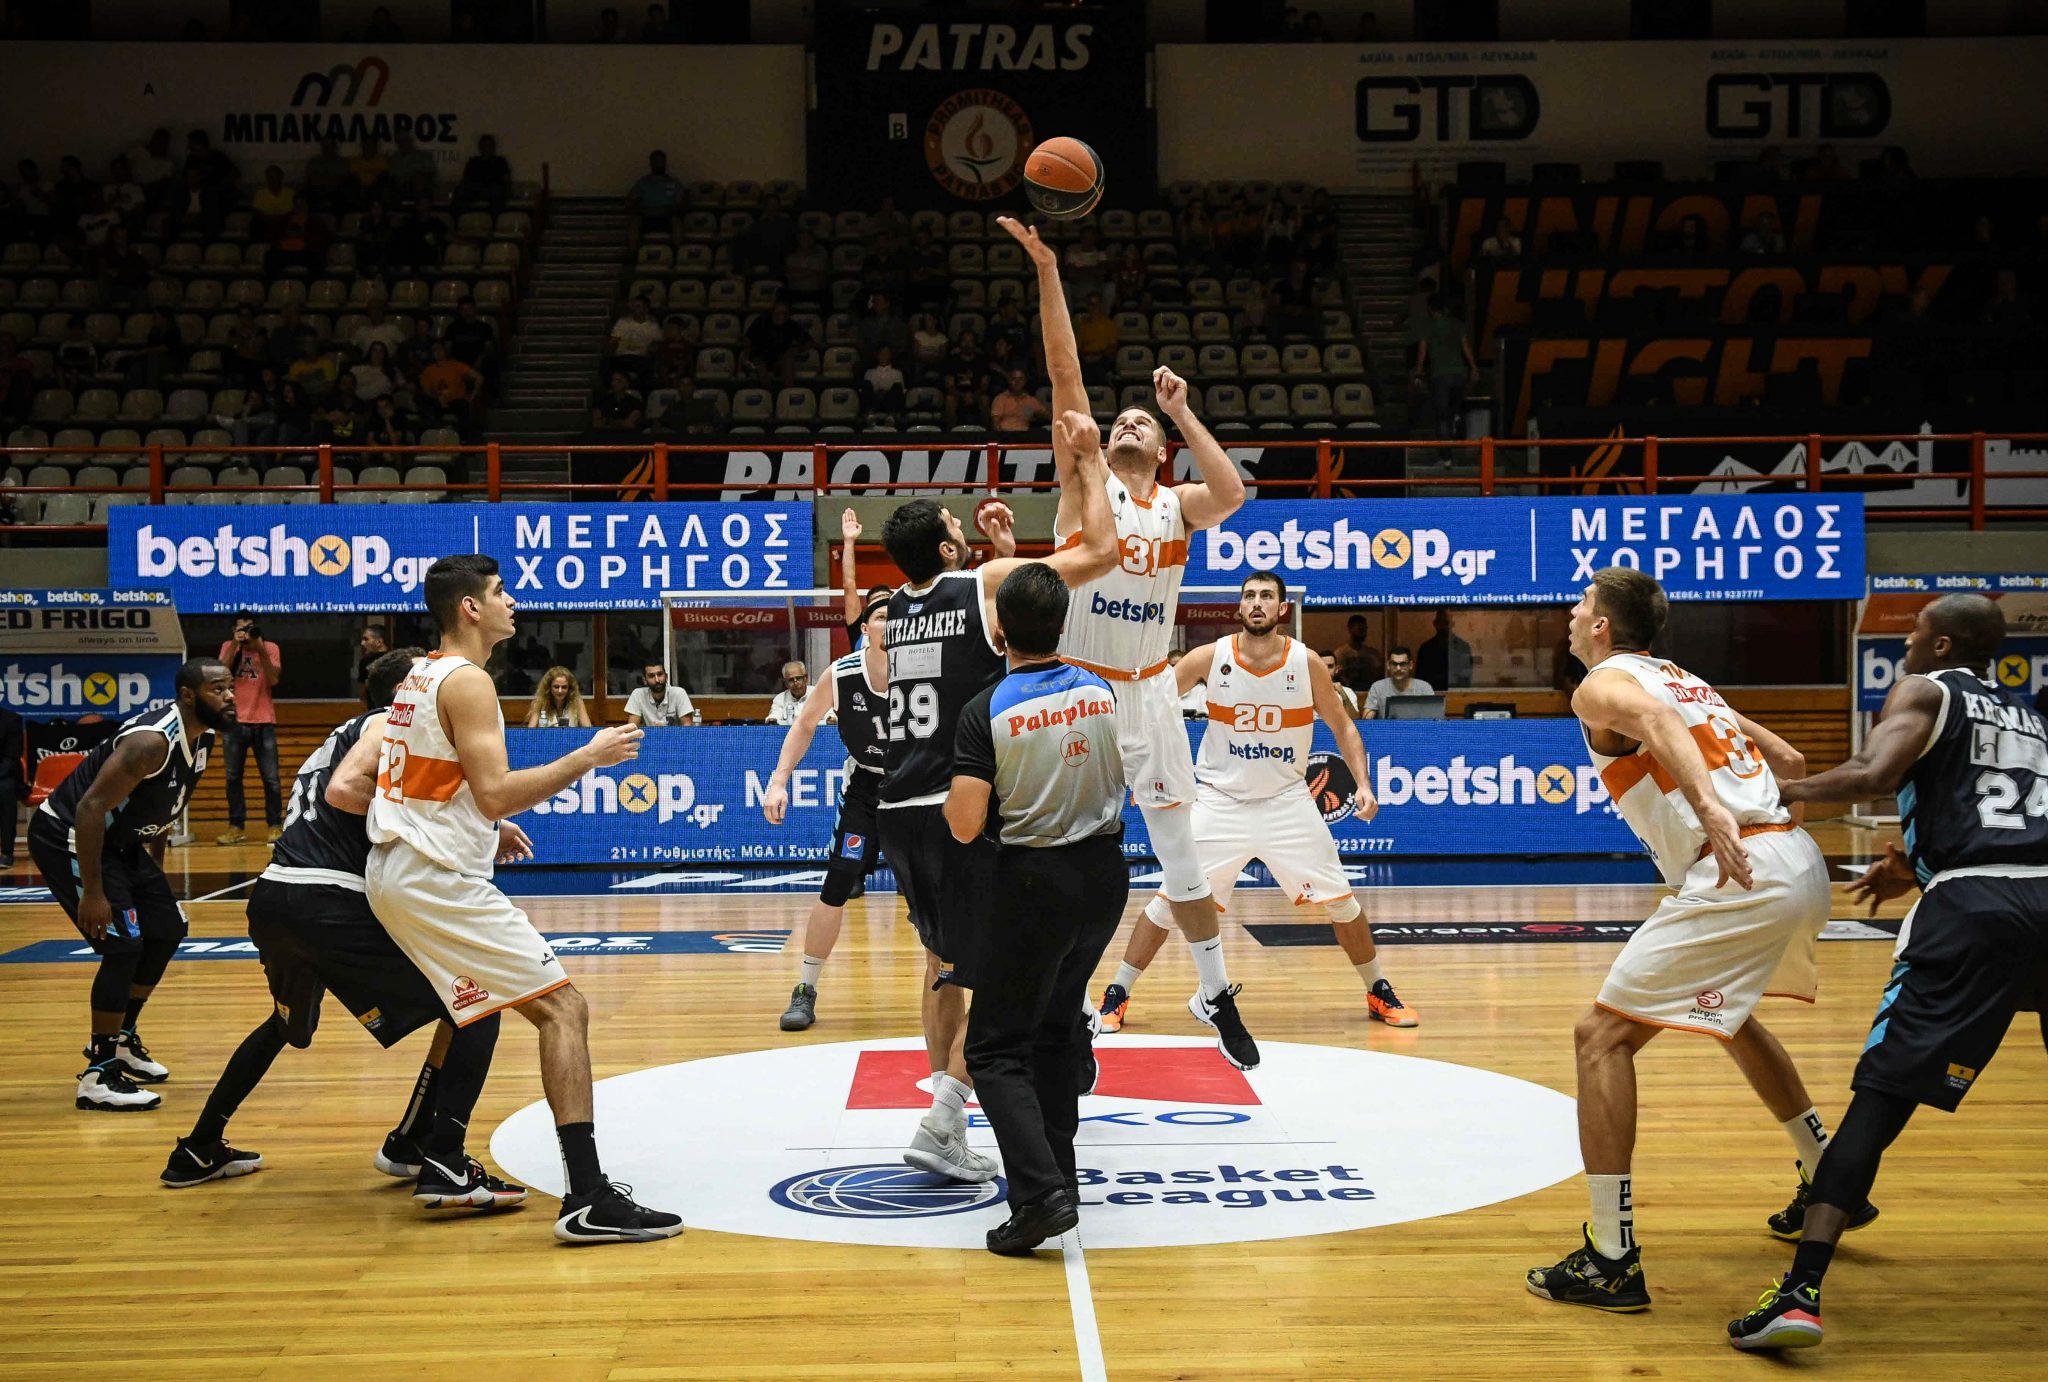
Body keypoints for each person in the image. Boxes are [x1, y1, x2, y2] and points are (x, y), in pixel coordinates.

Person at [1525, 567, 1861, 1314]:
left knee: (1600, 1038)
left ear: (1605, 626)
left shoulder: (1602, 684)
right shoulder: (1689, 680)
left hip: (1736, 867)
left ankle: (1610, 1258)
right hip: (1793, 861)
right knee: (1730, 1017)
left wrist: (1710, 808)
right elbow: (1793, 764)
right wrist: (1758, 818)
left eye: (1580, 606)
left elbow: (1659, 729)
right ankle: (1824, 1174)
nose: (1572, 617)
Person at [1727, 594, 2048, 1352]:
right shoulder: (2028, 714)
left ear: (1939, 645)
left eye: (1912, 633)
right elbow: (2009, 809)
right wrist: (1910, 860)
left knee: (1878, 1102)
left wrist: (1781, 795)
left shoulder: (1924, 690)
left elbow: (1873, 772)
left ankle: (1799, 1293)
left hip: (1976, 912)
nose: (1903, 644)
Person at [354, 554, 682, 1242]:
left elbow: (447, 783)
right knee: (565, 1009)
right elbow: (497, 787)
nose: (512, 602)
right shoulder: (468, 681)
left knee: (474, 1013)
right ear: (470, 608)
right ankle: (587, 1195)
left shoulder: (421, 673)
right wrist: (585, 757)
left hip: (399, 870)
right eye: (500, 593)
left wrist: (486, 822)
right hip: (432, 878)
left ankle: (438, 1155)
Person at [1001, 215, 1261, 1071]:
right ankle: (1071, 1007)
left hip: (1150, 690)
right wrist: (1047, 268)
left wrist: (1184, 413)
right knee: (1075, 857)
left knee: (1182, 854)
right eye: (1123, 419)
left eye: (1142, 422)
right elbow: (1064, 370)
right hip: (1080, 687)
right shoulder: (1084, 481)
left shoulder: (1179, 502)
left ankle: (1213, 989)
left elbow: (1233, 492)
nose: (1130, 424)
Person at [161, 649, 530, 1209]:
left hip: (276, 895)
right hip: (328, 899)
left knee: (288, 1026)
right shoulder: (388, 725)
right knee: (473, 1004)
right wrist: (481, 823)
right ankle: (429, 1153)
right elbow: (352, 795)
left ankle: (199, 1146)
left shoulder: (339, 734)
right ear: (409, 689)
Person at [875, 410, 1116, 1184]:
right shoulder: (979, 584)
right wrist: (1087, 468)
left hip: (897, 809)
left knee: (947, 964)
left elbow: (994, 631)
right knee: (1012, 976)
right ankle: (947, 1112)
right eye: (957, 526)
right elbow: (1093, 558)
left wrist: (1008, 553)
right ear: (950, 549)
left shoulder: (893, 611)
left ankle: (947, 1112)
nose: (965, 531)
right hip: (960, 811)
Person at [1099, 572, 1412, 1034]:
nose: (1257, 603)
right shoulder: (1211, 656)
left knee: (1342, 903)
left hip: (1287, 800)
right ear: (1239, 607)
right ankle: (1117, 993)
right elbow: (1150, 706)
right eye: (1249, 596)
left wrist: (1363, 784)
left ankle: (1378, 988)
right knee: (1169, 901)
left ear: (1282, 608)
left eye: (1267, 596)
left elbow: (1343, 726)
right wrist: (1135, 764)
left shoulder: (1305, 663)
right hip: (1219, 800)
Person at [946, 564, 1129, 1254]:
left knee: (993, 1050)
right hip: (1106, 878)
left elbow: (965, 825)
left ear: (998, 630)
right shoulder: (1102, 692)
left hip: (1034, 882)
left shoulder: (985, 709)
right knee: (1055, 1030)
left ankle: (1040, 1196)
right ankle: (1063, 1181)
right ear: (1063, 627)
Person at [27, 658, 236, 1110]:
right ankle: (98, 1074)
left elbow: (162, 812)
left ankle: (122, 1038)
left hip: (120, 843)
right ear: (187, 695)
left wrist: (155, 878)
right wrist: (96, 893)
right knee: (122, 945)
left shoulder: (204, 742)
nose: (230, 696)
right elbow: (89, 809)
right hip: (68, 835)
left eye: (231, 687)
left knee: (166, 931)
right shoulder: (149, 742)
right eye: (218, 689)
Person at [763, 591, 890, 1031]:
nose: (889, 623)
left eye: (897, 615)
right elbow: (804, 722)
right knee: (837, 882)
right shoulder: (842, 673)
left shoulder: (928, 667)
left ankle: (957, 983)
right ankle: (805, 987)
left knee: (938, 891)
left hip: (918, 788)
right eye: (880, 616)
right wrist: (778, 781)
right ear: (865, 630)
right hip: (867, 788)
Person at [216, 614, 283, 844]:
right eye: (241, 629)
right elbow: (220, 676)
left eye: (249, 628)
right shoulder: (228, 646)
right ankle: (236, 826)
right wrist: (235, 644)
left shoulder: (270, 647)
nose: (246, 633)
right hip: (234, 721)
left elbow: (273, 679)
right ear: (233, 630)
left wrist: (260, 647)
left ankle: (275, 825)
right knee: (233, 777)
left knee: (271, 779)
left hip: (263, 720)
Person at [1412, 295, 1478, 441]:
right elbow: (1466, 347)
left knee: (1441, 416)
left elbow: (1422, 352)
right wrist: (1473, 367)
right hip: (1459, 373)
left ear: (1430, 309)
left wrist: (1418, 373)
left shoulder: (1427, 327)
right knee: (1455, 411)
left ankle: (1445, 457)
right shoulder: (1457, 324)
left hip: (1440, 375)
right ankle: (1458, 440)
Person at [627, 150, 686, 245]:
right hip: (647, 217)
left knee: (677, 223)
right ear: (651, 163)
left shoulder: (674, 183)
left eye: (661, 162)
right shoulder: (642, 183)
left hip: (667, 218)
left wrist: (673, 209)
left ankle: (677, 254)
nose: (658, 164)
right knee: (634, 223)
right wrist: (639, 209)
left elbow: (681, 203)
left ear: (665, 163)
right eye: (655, 162)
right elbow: (630, 201)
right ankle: (633, 255)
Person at [1364, 646, 1432, 718]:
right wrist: (1369, 715)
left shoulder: (1424, 688)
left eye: (1402, 664)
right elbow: (1367, 717)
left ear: (1411, 665)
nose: (1398, 668)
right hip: (1386, 728)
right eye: (1394, 664)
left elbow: (1433, 717)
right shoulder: (1377, 687)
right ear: (1388, 665)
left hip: (1417, 728)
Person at [1415, 607, 1472, 690]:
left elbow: (1465, 679)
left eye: (1446, 622)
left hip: (1455, 696)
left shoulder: (1463, 648)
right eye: (1439, 623)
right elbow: (1420, 679)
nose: (1442, 627)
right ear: (1434, 624)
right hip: (1432, 697)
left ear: (1452, 624)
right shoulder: (1425, 649)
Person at [625, 662, 696, 727]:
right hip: (650, 738)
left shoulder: (679, 693)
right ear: (644, 681)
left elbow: (687, 727)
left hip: (675, 739)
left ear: (666, 677)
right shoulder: (638, 694)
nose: (657, 680)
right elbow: (632, 728)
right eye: (651, 676)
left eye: (660, 674)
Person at [526, 666, 593, 728]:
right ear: (549, 687)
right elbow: (531, 732)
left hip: (570, 740)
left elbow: (588, 730)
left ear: (569, 688)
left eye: (564, 687)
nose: (560, 691)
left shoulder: (577, 702)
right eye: (556, 687)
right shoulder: (539, 703)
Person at [0, 700, 22, 865]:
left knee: (5, 789)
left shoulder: (11, 719)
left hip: (3, 774)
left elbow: (12, 756)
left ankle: (7, 852)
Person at [1320, 652, 1365, 719]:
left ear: (1337, 669)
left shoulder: (1347, 691)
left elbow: (1355, 719)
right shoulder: (1307, 692)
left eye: (1330, 666)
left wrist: (1342, 694)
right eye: (1322, 666)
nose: (1326, 670)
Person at [357, 625, 389, 697]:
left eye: (366, 639)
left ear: (379, 642)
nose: (362, 643)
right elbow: (362, 691)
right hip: (372, 706)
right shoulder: (364, 661)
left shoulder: (395, 659)